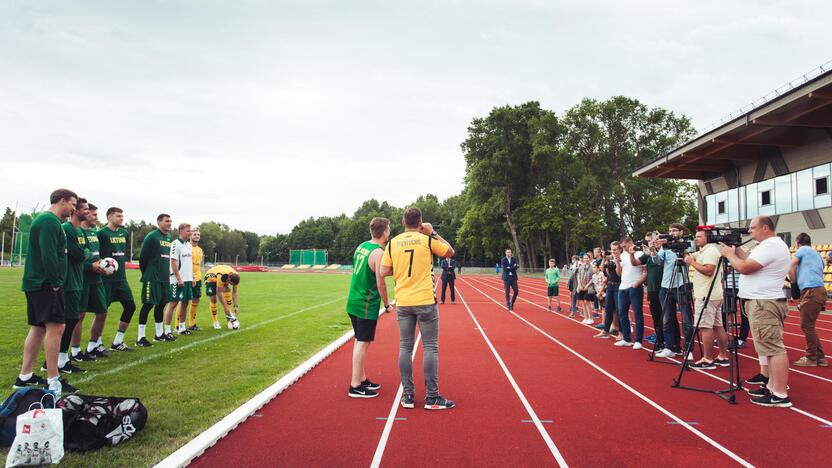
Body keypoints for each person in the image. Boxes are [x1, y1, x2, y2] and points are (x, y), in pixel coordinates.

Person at [379, 207, 455, 410]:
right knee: (430, 347)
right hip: (425, 300)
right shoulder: (427, 240)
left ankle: (408, 396)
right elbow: (450, 252)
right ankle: (432, 397)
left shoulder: (393, 243)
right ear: (420, 222)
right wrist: (433, 233)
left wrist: (401, 270)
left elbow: (383, 270)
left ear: (403, 222)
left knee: (405, 347)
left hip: (403, 301)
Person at [719, 215, 792, 407]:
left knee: (773, 348)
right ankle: (772, 387)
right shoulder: (769, 246)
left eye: (752, 227)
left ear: (765, 228)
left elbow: (745, 267)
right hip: (762, 301)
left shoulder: (771, 245)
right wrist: (736, 250)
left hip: (764, 302)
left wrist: (729, 255)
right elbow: (749, 259)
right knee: (767, 348)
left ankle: (780, 394)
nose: (749, 231)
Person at [13, 188, 77, 396]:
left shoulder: (48, 221)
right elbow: (49, 254)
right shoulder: (49, 221)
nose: (73, 208)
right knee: (57, 327)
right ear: (61, 200)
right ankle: (53, 379)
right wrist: (56, 282)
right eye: (72, 204)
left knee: (38, 328)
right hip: (45, 284)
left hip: (38, 282)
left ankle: (25, 377)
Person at [40, 198, 88, 378]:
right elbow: (79, 254)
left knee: (71, 319)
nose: (88, 212)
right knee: (64, 321)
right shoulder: (65, 228)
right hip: (67, 282)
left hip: (76, 280)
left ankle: (60, 359)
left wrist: (85, 254)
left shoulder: (80, 231)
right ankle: (58, 361)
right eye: (84, 209)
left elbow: (85, 253)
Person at [345, 217, 391, 398]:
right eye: (388, 230)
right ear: (385, 232)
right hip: (365, 303)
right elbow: (381, 283)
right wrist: (387, 304)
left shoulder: (362, 246)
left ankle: (361, 378)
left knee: (360, 340)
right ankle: (355, 385)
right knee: (362, 343)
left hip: (354, 299)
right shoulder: (378, 253)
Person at [684, 230, 730, 369]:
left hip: (707, 295)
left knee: (705, 327)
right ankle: (722, 356)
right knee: (717, 326)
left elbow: (709, 270)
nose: (696, 239)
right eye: (695, 236)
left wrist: (692, 262)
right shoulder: (705, 251)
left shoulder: (710, 251)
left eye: (699, 236)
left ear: (708, 238)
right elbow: (688, 255)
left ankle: (708, 359)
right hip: (712, 295)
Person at [72, 203, 112, 361]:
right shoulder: (77, 232)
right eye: (93, 214)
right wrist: (91, 266)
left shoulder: (94, 232)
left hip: (97, 279)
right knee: (79, 315)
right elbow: (75, 260)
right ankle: (75, 351)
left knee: (102, 312)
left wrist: (103, 264)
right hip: (82, 279)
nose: (96, 217)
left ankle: (92, 346)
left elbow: (95, 255)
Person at [652, 223, 693, 359]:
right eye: (669, 230)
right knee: (667, 318)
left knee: (686, 319)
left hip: (682, 284)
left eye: (674, 230)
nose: (671, 232)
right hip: (666, 285)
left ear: (681, 232)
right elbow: (658, 261)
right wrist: (653, 251)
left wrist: (675, 243)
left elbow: (687, 256)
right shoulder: (666, 247)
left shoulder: (688, 243)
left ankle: (689, 349)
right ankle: (670, 347)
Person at [99, 207, 136, 352]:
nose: (122, 218)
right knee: (102, 311)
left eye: (122, 215)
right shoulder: (101, 233)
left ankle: (118, 341)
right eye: (118, 216)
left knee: (130, 307)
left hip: (121, 279)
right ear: (109, 216)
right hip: (106, 280)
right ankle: (97, 343)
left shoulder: (124, 233)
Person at [789, 233, 828, 367]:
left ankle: (811, 357)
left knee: (806, 326)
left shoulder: (802, 250)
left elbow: (791, 266)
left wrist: (793, 285)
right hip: (819, 290)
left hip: (811, 291)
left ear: (798, 242)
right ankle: (820, 357)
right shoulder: (818, 255)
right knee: (809, 325)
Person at [136, 214, 173, 346]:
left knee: (161, 305)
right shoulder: (152, 237)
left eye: (170, 221)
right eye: (166, 221)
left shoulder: (169, 237)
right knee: (148, 305)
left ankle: (159, 334)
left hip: (165, 278)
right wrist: (148, 273)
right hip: (152, 278)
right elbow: (143, 258)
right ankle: (140, 337)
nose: (169, 223)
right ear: (159, 222)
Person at [615, 237, 647, 349]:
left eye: (624, 246)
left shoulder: (640, 254)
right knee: (622, 313)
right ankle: (627, 338)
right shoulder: (623, 255)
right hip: (623, 286)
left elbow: (643, 270)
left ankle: (638, 340)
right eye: (622, 247)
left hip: (634, 286)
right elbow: (619, 274)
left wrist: (638, 283)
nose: (623, 249)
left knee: (638, 313)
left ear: (630, 243)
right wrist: (617, 263)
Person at [165, 223, 194, 336]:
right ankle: (167, 330)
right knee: (173, 303)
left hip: (188, 279)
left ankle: (182, 327)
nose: (190, 233)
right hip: (177, 280)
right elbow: (173, 262)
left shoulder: (189, 245)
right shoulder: (175, 244)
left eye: (190, 230)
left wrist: (191, 277)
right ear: (181, 231)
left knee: (185, 303)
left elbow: (189, 263)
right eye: (188, 231)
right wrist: (178, 278)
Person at [638, 233, 664, 350]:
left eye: (652, 240)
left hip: (663, 288)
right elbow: (636, 262)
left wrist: (654, 251)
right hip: (651, 289)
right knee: (655, 316)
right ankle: (659, 341)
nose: (650, 243)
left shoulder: (663, 252)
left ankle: (671, 343)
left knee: (667, 317)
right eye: (648, 241)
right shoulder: (647, 253)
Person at [594, 243, 622, 339]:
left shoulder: (622, 259)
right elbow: (604, 271)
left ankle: (621, 332)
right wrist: (605, 259)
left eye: (615, 249)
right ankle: (606, 331)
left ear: (620, 249)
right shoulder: (610, 259)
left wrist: (617, 262)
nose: (613, 251)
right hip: (610, 285)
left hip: (618, 286)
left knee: (619, 310)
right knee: (608, 309)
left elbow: (619, 274)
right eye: (612, 249)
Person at [204, 264, 241, 328]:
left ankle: (229, 318)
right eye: (230, 283)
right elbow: (219, 292)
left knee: (227, 289)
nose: (231, 285)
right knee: (214, 299)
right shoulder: (221, 276)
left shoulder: (236, 277)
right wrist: (225, 306)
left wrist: (235, 306)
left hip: (223, 275)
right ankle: (215, 322)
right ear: (229, 279)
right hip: (210, 278)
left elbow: (234, 292)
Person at [187, 227, 204, 331]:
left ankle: (192, 324)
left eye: (198, 234)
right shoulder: (186, 247)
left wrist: (198, 277)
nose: (197, 236)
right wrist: (190, 276)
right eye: (195, 234)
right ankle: (177, 324)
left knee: (196, 299)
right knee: (183, 301)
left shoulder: (200, 250)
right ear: (190, 236)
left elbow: (198, 265)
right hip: (187, 278)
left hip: (197, 278)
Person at [576, 254, 594, 324]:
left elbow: (593, 277)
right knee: (583, 302)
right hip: (581, 287)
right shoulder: (581, 267)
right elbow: (578, 276)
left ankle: (591, 318)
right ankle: (586, 317)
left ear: (589, 259)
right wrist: (579, 284)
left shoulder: (592, 267)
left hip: (589, 288)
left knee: (587, 301)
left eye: (587, 258)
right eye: (584, 258)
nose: (586, 259)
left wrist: (587, 285)